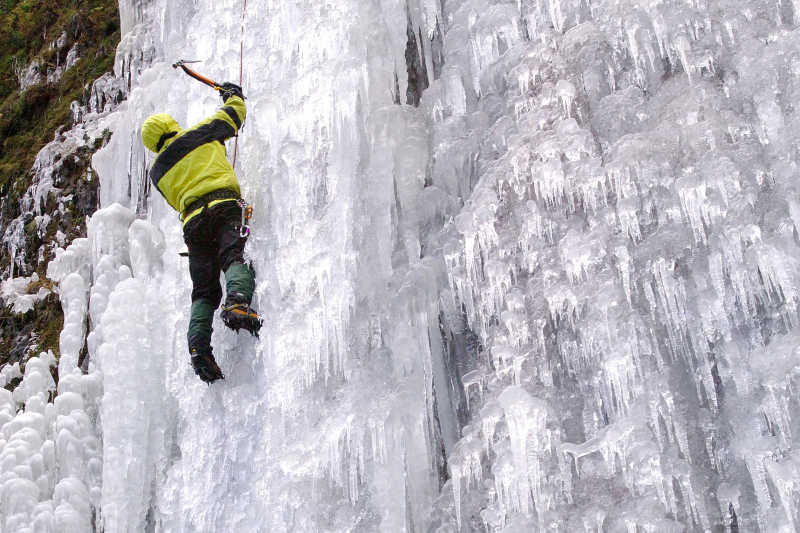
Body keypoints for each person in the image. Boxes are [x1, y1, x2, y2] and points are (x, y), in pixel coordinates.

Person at [141, 82, 261, 383]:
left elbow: (173, 200)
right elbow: (234, 116)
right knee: (234, 255)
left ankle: (198, 349)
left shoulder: (158, 172)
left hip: (193, 224)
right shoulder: (200, 134)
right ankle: (237, 300)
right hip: (223, 206)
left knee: (204, 291)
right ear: (171, 125)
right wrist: (232, 94)